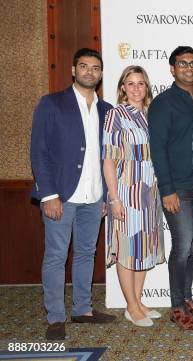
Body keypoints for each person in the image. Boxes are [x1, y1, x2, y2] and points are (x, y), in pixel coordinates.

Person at [30, 48, 116, 340]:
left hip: (94, 197)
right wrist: (48, 194)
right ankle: (55, 317)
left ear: (101, 74)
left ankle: (83, 309)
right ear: (73, 69)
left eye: (95, 68)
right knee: (55, 256)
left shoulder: (107, 111)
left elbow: (107, 157)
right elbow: (39, 152)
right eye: (84, 66)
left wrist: (105, 195)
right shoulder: (52, 104)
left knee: (86, 254)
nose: (89, 72)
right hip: (61, 196)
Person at [149, 46, 193, 330]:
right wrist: (167, 190)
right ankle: (176, 306)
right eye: (182, 63)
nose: (189, 67)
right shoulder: (163, 103)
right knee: (182, 247)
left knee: (191, 247)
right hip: (177, 188)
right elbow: (158, 149)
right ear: (172, 68)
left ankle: (187, 298)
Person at [102, 65, 165, 327]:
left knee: (143, 249)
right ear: (122, 87)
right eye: (131, 83)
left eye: (141, 83)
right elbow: (108, 160)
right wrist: (114, 198)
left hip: (151, 193)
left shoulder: (151, 114)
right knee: (128, 250)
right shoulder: (115, 115)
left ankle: (137, 302)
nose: (136, 88)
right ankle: (130, 305)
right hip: (127, 191)